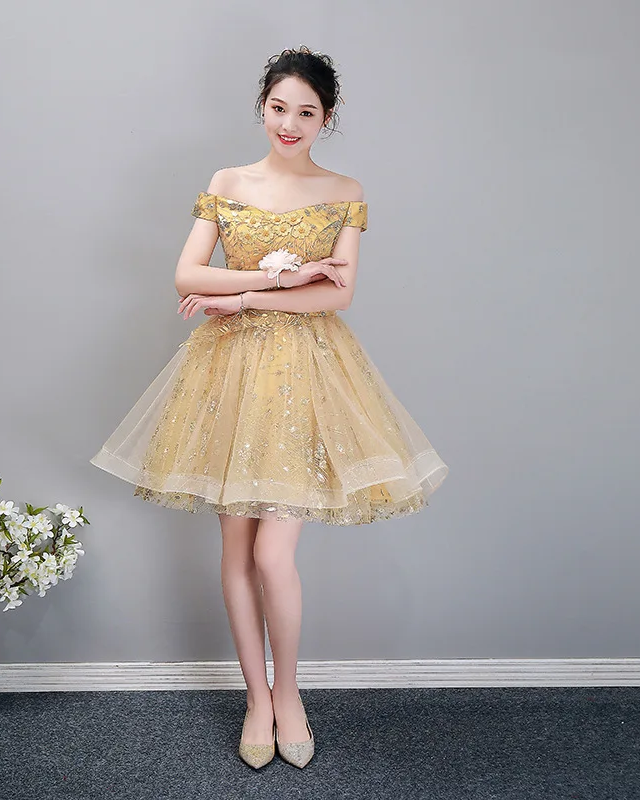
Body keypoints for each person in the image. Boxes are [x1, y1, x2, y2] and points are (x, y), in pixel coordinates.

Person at [90, 45, 449, 770]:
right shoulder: (228, 182)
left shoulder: (344, 191)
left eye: (306, 112)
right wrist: (278, 277)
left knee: (271, 553)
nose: (289, 123)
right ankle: (257, 697)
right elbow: (186, 275)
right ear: (262, 105)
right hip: (226, 374)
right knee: (235, 552)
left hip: (306, 375)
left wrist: (247, 294)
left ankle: (290, 692)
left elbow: (339, 295)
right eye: (279, 107)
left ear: (327, 118)